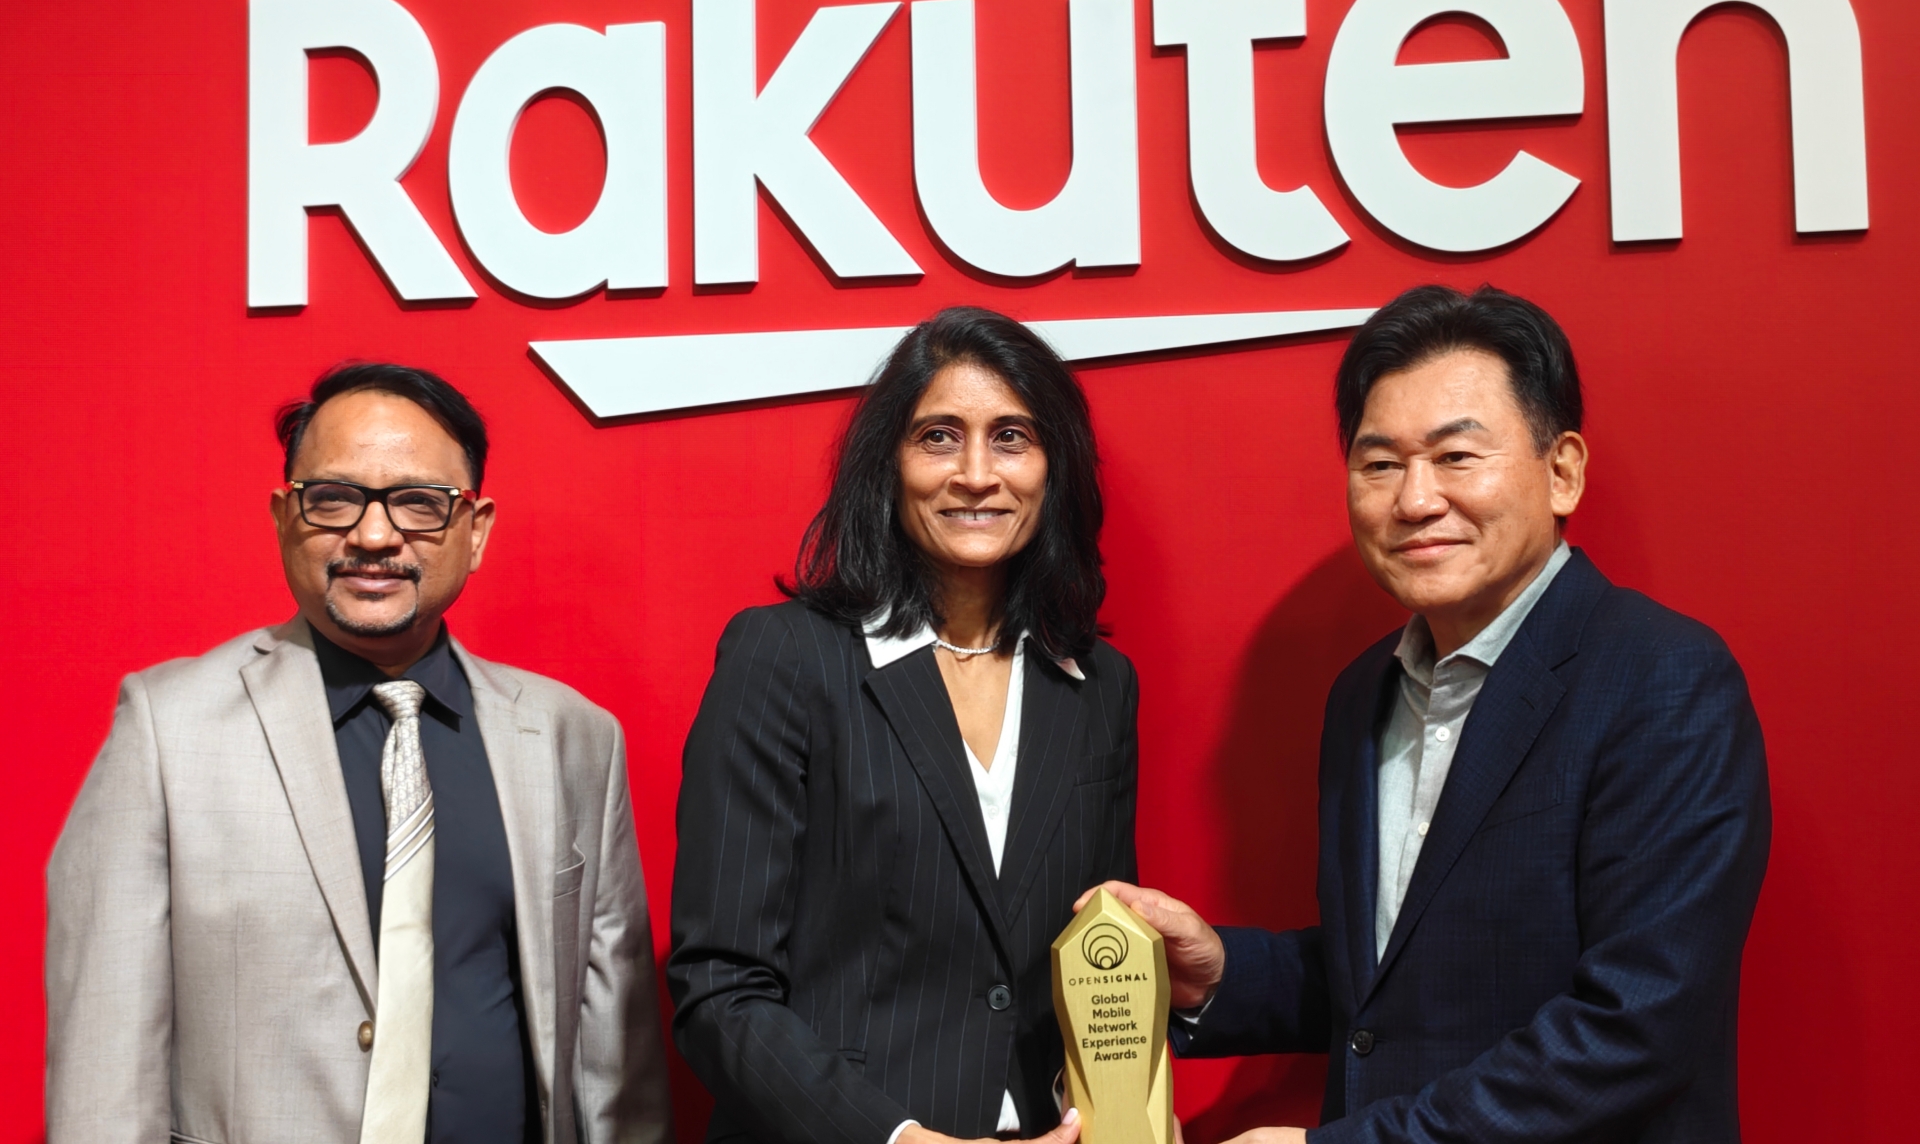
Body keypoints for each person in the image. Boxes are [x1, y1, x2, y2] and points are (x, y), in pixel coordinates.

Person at [1086, 284, 1771, 1143]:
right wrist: (1223, 972)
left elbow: (1636, 1026)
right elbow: (1401, 980)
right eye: (1380, 464)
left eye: (1456, 456)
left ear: (1562, 470)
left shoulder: (1664, 679)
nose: (1414, 500)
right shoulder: (1363, 693)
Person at [46, 362, 671, 1144]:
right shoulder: (166, 729)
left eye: (419, 502)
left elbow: (616, 1065)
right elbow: (103, 1071)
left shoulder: (572, 736)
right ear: (284, 516)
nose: (374, 537)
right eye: (334, 498)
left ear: (475, 530)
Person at [669, 307, 1136, 1144]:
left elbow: (1103, 960)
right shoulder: (784, 659)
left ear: (1054, 466)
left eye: (1012, 438)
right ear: (889, 462)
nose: (976, 474)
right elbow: (720, 988)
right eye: (938, 438)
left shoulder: (1100, 685)